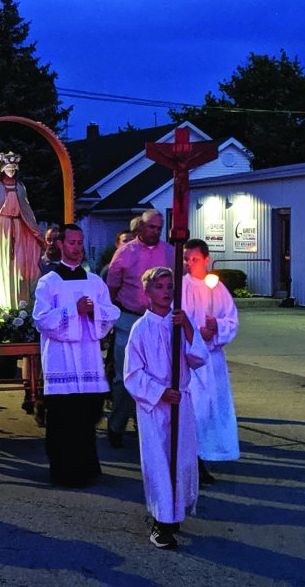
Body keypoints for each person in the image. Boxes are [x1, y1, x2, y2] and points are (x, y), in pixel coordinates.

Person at [124, 266, 208, 550]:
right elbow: (132, 374)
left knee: (182, 457)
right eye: (158, 287)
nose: (165, 292)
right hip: (155, 406)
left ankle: (176, 512)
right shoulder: (140, 329)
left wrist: (186, 328)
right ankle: (162, 522)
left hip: (180, 402)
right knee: (159, 460)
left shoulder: (180, 322)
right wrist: (160, 393)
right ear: (147, 292)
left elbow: (198, 359)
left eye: (169, 286)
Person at [32, 224, 119, 487]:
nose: (77, 248)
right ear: (60, 244)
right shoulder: (49, 282)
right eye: (72, 243)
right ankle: (62, 471)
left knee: (86, 417)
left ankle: (87, 468)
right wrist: (74, 310)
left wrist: (94, 313)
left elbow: (111, 313)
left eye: (80, 242)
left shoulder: (94, 282)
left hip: (87, 359)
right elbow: (41, 319)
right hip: (60, 360)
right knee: (62, 419)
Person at [105, 210, 174, 448]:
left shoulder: (169, 251)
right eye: (152, 227)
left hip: (160, 321)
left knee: (158, 375)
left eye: (159, 227)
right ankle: (117, 424)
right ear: (139, 229)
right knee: (126, 377)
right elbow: (111, 288)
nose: (156, 231)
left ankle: (148, 424)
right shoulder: (125, 252)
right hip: (129, 319)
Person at [182, 239, 240, 482]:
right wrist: (197, 335)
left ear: (206, 260)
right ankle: (192, 460)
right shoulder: (182, 286)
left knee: (211, 410)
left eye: (194, 259)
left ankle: (208, 453)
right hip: (191, 359)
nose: (189, 264)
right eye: (186, 259)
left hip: (213, 360)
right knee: (194, 409)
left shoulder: (216, 288)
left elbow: (231, 319)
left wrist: (216, 328)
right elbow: (179, 318)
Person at [0, 151, 44, 309]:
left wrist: (35, 232)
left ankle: (18, 304)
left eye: (14, 168)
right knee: (2, 265)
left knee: (19, 266)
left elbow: (26, 209)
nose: (11, 170)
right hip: (0, 229)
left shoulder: (20, 187)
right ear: (2, 168)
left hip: (19, 228)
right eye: (8, 167)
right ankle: (0, 304)